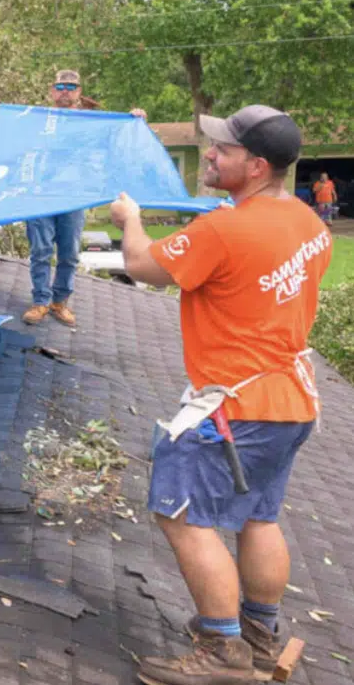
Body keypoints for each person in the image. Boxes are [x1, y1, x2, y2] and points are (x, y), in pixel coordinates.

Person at [110, 105, 328, 685]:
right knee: (258, 514)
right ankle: (258, 631)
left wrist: (130, 217)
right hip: (291, 402)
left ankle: (223, 650)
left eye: (222, 150)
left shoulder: (221, 231)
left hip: (236, 407)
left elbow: (139, 265)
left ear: (255, 166)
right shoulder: (307, 222)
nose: (210, 153)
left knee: (178, 510)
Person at [0, 69, 146, 328]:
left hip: (73, 197)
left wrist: (134, 118)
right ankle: (40, 302)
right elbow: (2, 123)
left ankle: (60, 302)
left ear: (79, 92)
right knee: (41, 250)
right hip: (40, 196)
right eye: (60, 87)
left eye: (71, 87)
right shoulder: (36, 119)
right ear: (52, 91)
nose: (65, 92)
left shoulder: (91, 122)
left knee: (69, 253)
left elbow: (118, 138)